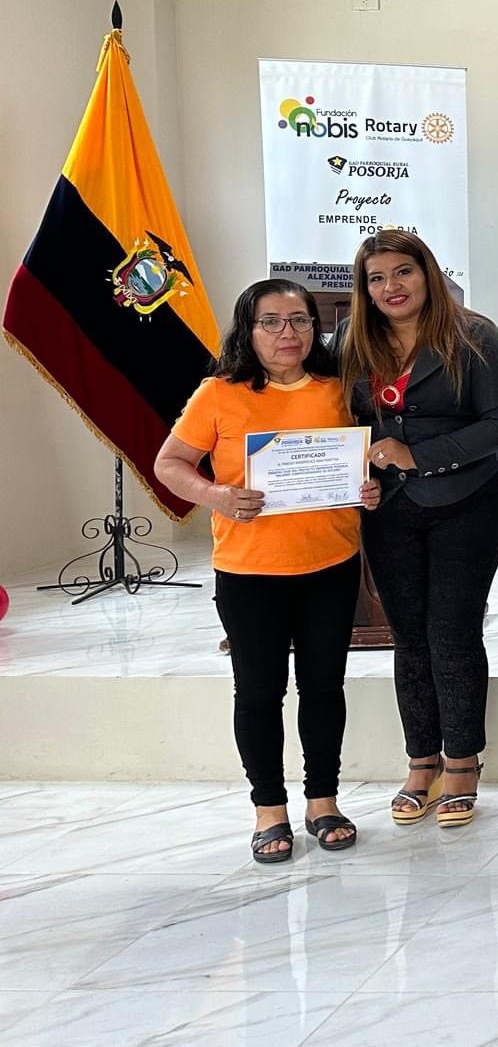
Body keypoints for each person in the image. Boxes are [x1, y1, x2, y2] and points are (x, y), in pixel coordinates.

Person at [154, 280, 381, 864]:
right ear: (248, 331)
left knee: (324, 688)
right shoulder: (218, 394)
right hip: (249, 571)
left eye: (300, 321)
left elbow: (360, 463)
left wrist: (368, 488)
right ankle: (269, 809)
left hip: (330, 564)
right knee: (258, 692)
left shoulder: (339, 390)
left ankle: (323, 800)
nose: (288, 333)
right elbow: (169, 463)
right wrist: (216, 495)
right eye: (272, 322)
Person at [335, 230, 498, 830]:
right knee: (409, 637)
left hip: (468, 502)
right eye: (377, 278)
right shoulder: (351, 339)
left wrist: (418, 455)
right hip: (388, 509)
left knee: (453, 632)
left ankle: (463, 763)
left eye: (403, 272)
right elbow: (339, 419)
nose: (391, 287)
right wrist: (356, 472)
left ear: (427, 273)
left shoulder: (475, 334)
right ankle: (422, 763)